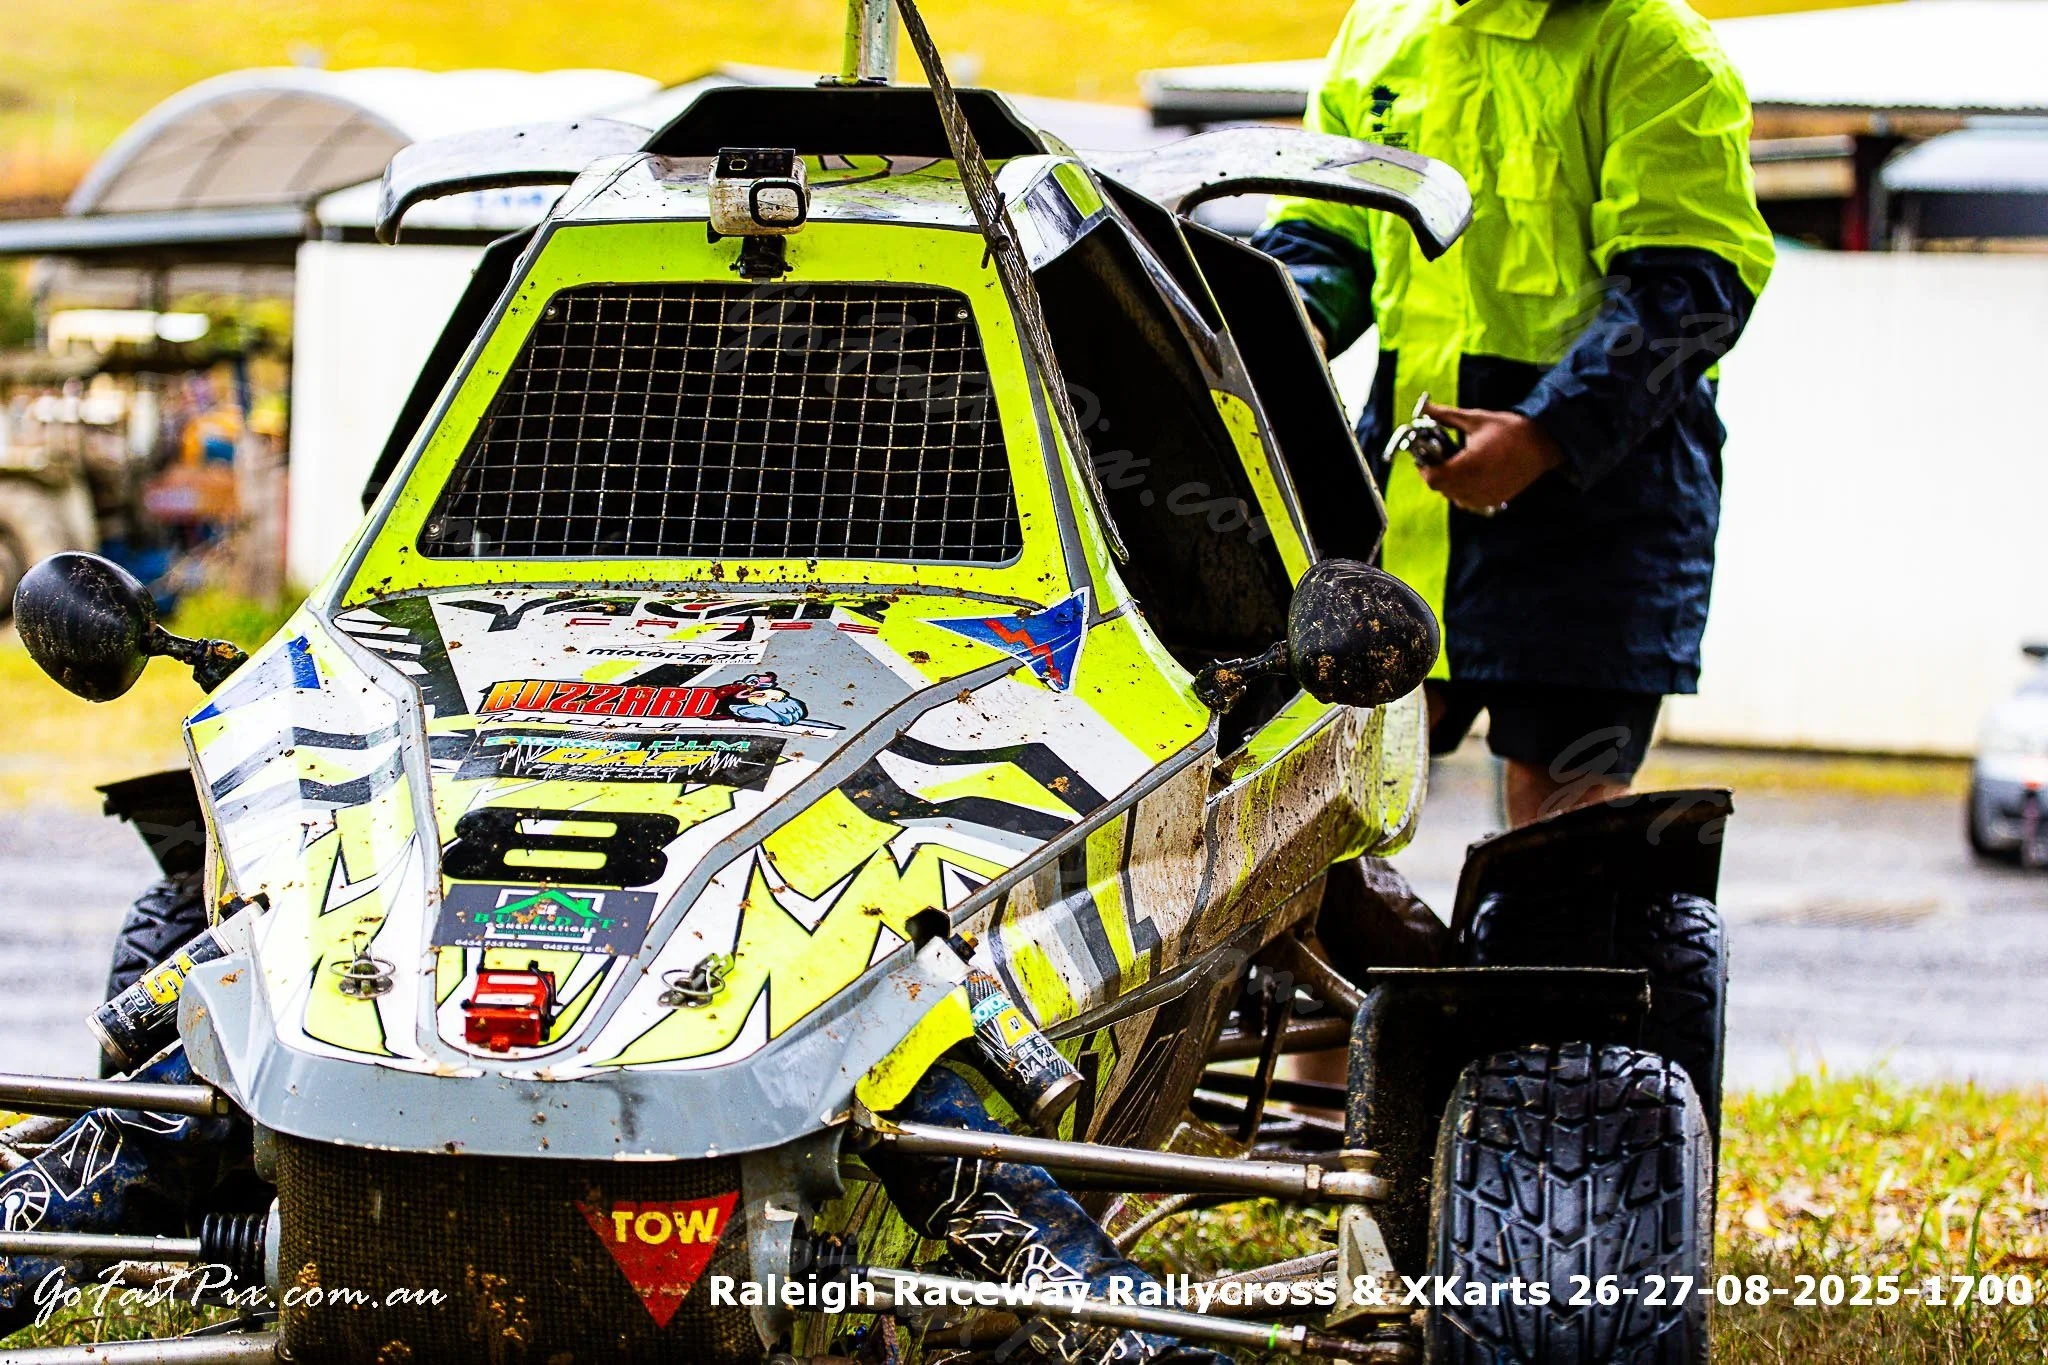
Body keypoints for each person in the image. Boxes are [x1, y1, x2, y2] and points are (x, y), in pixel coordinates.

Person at [1253, 0, 1775, 826]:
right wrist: (1291, 326)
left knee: (1564, 823)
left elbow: (1696, 287)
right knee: (1321, 799)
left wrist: (1548, 433)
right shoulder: (1381, 31)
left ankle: (1543, 946)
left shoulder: (1652, 44)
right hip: (1402, 509)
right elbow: (1324, 233)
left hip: (1599, 521)